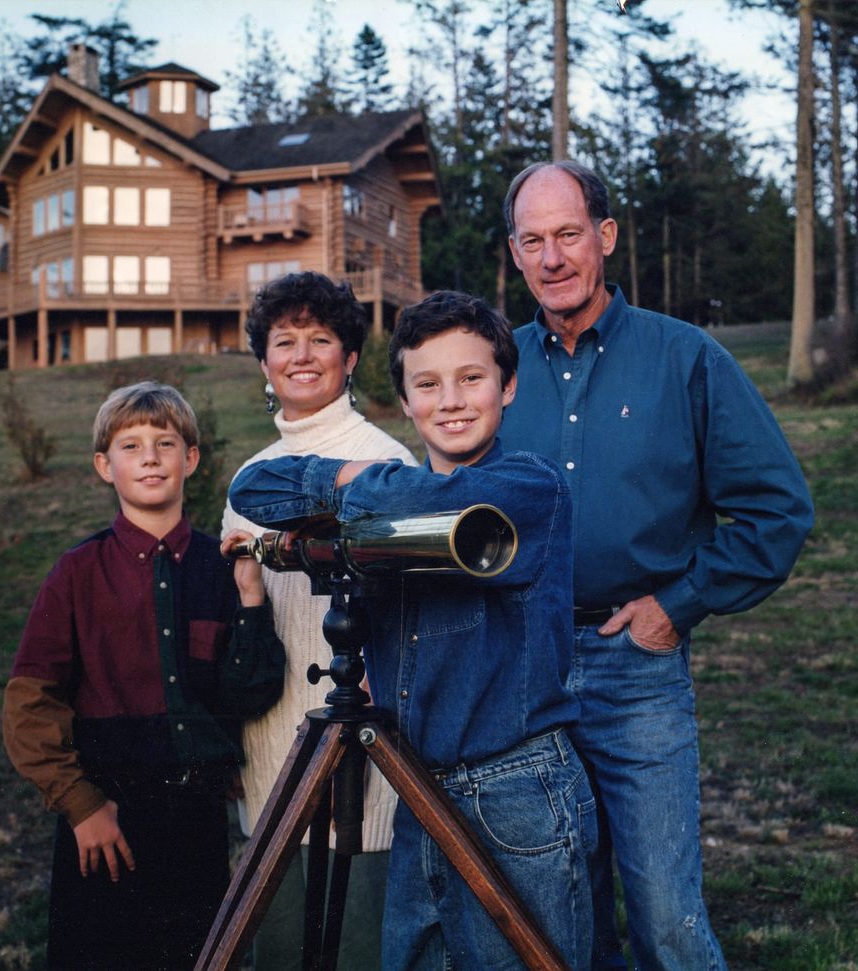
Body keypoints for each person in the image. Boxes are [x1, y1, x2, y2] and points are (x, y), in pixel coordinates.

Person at [499, 160, 815, 969]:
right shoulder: (495, 371)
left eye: (569, 234)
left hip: (634, 668)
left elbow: (779, 510)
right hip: (522, 672)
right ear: (513, 253)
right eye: (533, 240)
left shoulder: (686, 359)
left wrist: (681, 601)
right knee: (557, 921)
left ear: (605, 237)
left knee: (667, 920)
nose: (553, 257)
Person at [230, 290, 597, 970]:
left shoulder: (531, 486)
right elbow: (254, 487)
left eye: (472, 379)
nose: (451, 400)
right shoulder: (389, 492)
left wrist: (351, 487)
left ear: (508, 386)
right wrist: (372, 482)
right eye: (427, 384)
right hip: (416, 784)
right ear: (402, 401)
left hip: (514, 788)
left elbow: (461, 506)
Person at [2, 381, 286, 970]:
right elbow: (31, 705)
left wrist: (253, 600)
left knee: (194, 955)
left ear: (192, 458)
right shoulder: (77, 573)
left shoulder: (222, 568)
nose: (151, 457)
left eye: (165, 442)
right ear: (105, 466)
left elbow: (251, 692)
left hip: (194, 822)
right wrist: (81, 806)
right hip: (106, 815)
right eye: (131, 446)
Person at [222, 271, 417, 971]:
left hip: (361, 747)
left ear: (351, 358)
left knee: (355, 939)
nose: (302, 354)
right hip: (272, 739)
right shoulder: (250, 477)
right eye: (285, 340)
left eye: (321, 339)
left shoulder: (387, 462)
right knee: (279, 942)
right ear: (264, 360)